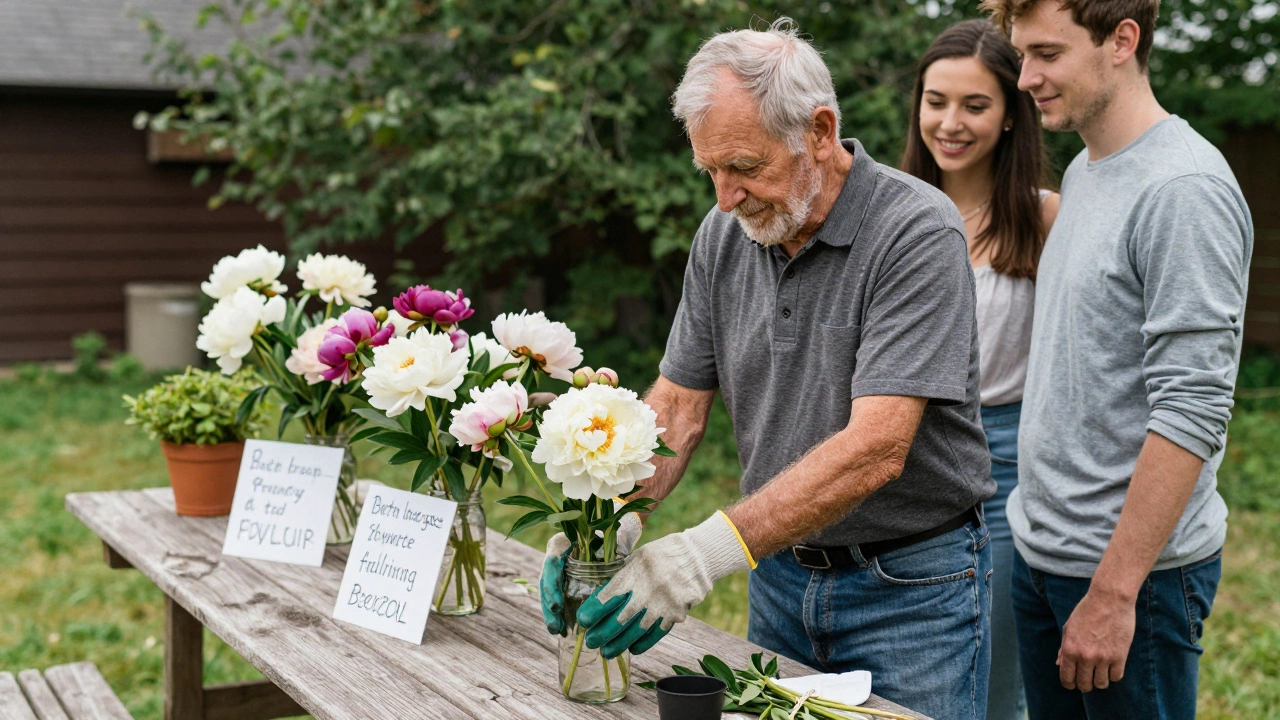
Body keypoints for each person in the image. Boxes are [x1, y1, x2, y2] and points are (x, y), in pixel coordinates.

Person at [539, 18, 996, 720]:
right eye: (711, 171)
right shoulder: (727, 233)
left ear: (819, 131)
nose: (725, 197)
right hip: (780, 575)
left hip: (909, 587)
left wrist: (700, 555)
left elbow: (876, 448)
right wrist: (612, 515)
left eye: (746, 168)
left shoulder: (915, 231)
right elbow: (680, 406)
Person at [979, 1, 1254, 717]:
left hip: (1129, 581)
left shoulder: (1182, 188)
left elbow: (1192, 409)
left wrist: (1114, 591)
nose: (1026, 77)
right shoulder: (1087, 171)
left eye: (1047, 53)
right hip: (1044, 555)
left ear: (1122, 40)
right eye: (1022, 54)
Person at [900, 19, 1059, 720]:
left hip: (1005, 464)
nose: (951, 122)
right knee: (908, 672)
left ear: (1010, 115)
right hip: (900, 456)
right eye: (937, 101)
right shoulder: (889, 212)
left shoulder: (1043, 217)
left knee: (996, 681)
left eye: (975, 104)